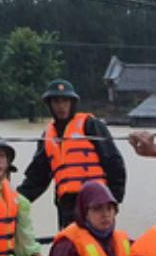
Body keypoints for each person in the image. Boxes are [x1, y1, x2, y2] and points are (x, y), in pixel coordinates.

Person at [19, 79, 126, 229]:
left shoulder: (91, 125)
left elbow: (114, 163)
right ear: (50, 105)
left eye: (65, 101)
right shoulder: (47, 136)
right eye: (56, 102)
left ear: (72, 103)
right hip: (67, 205)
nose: (61, 106)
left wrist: (114, 200)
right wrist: (16, 201)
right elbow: (37, 177)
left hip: (96, 200)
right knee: (70, 246)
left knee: (96, 246)